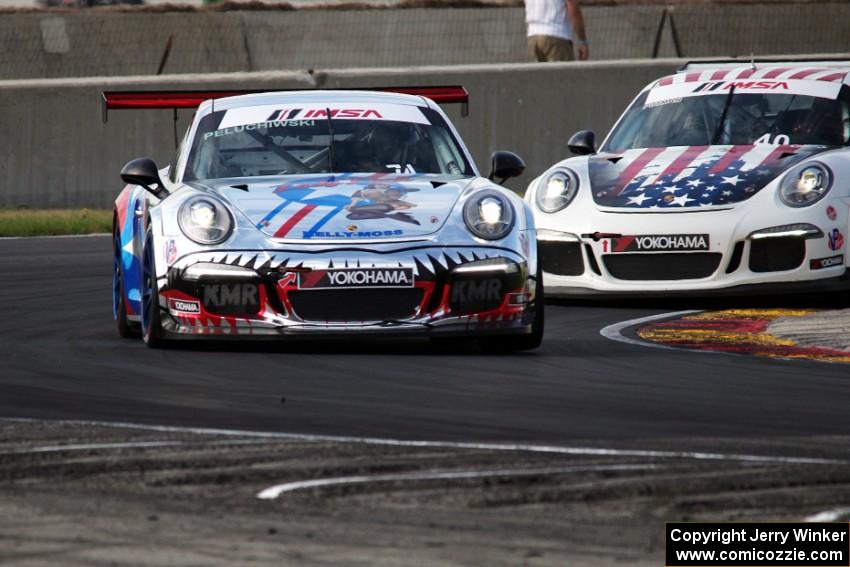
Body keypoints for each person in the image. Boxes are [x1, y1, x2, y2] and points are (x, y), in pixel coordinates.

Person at [525, 0, 590, 62]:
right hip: (556, 35)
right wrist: (583, 41)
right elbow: (573, 7)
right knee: (563, 73)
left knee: (541, 73)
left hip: (533, 36)